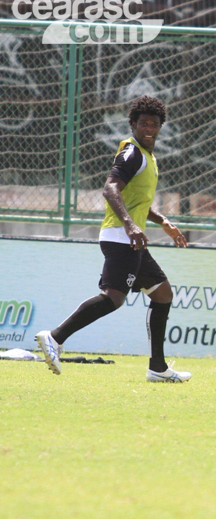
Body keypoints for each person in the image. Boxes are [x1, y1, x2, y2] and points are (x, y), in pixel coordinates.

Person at [35, 96, 192, 382]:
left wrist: (163, 221)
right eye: (143, 123)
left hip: (132, 239)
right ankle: (54, 337)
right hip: (122, 237)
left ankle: (157, 368)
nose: (148, 128)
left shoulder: (148, 157)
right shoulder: (131, 154)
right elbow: (110, 189)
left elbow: (138, 201)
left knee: (162, 293)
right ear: (132, 124)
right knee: (114, 298)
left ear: (160, 127)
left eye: (154, 124)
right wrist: (131, 225)